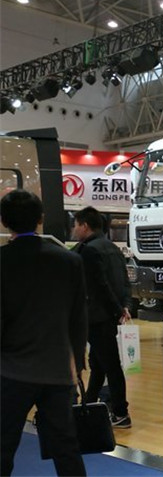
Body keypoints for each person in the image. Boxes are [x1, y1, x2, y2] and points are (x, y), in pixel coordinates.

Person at [1, 190, 87, 476]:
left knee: (3, 446)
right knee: (66, 448)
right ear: (40, 219)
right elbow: (78, 318)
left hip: (11, 371)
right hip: (57, 371)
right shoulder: (69, 261)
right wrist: (77, 363)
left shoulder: (2, 261)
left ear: (4, 221)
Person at [72, 206, 133, 428]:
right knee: (99, 364)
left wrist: (117, 308)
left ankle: (121, 412)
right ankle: (89, 405)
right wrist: (124, 306)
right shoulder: (113, 248)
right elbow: (124, 282)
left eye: (76, 225)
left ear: (85, 225)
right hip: (108, 316)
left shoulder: (88, 251)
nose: (74, 230)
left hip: (97, 317)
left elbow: (100, 286)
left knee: (111, 366)